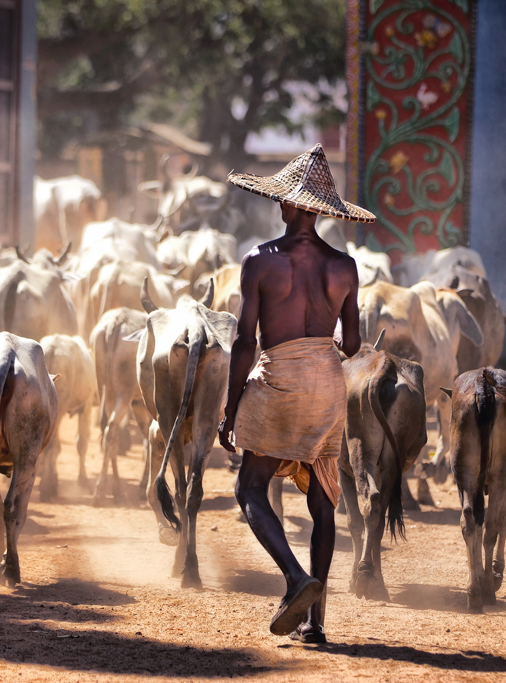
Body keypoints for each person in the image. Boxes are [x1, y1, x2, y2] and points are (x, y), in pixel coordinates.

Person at [218, 144, 375, 644]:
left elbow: (245, 341)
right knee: (324, 496)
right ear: (322, 211)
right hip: (328, 382)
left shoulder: (260, 261)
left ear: (288, 204)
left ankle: (294, 578)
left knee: (249, 487)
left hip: (280, 377)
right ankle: (317, 622)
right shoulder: (345, 266)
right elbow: (351, 344)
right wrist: (320, 349)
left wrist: (231, 408)